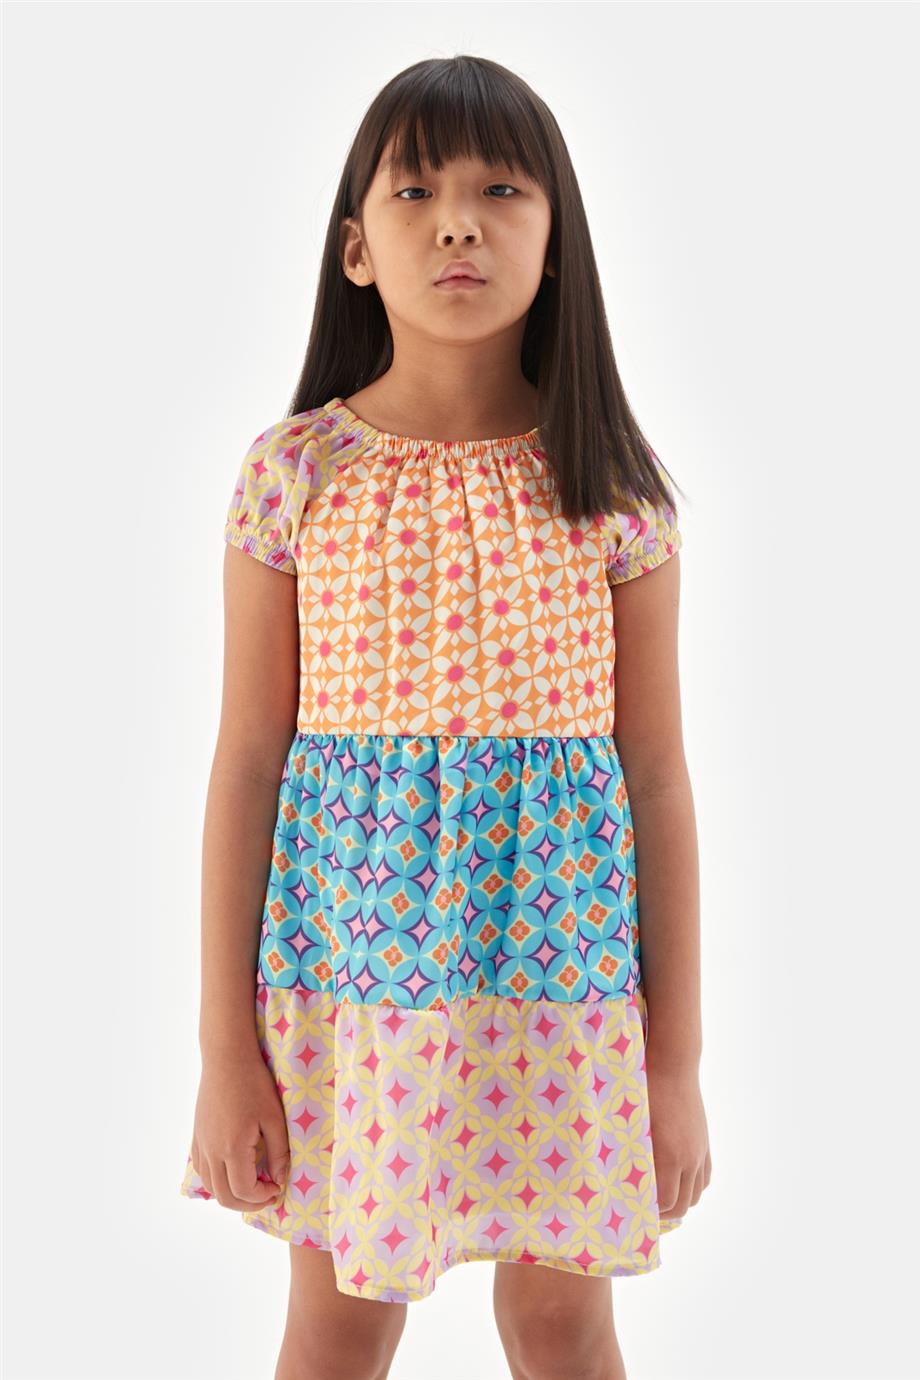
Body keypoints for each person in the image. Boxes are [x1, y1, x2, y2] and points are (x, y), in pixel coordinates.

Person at [179, 52, 710, 1380]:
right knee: (340, 1322)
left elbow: (656, 774)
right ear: (357, 248)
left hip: (564, 980)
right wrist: (224, 1049)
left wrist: (675, 1064)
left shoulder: (614, 490)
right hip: (354, 984)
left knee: (561, 1322)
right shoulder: (295, 477)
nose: (459, 224)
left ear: (556, 238)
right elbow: (248, 764)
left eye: (500, 191)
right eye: (415, 192)